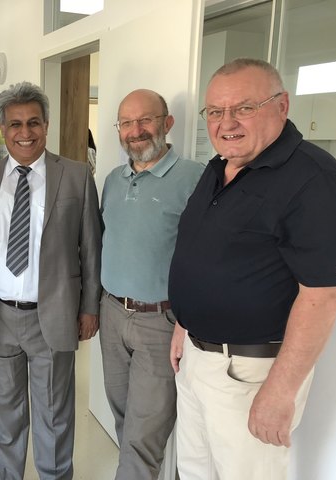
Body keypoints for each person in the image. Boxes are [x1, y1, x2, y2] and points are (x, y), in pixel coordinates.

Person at [168, 58, 336, 480]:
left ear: (282, 106)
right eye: (214, 111)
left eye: (243, 108)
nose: (225, 122)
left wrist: (280, 392)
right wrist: (185, 322)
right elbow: (206, 254)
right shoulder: (219, 167)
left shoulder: (314, 178)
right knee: (195, 470)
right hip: (197, 358)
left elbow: (324, 294)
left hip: (249, 372)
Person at [0, 81, 102, 480]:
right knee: (6, 414)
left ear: (47, 124)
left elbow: (91, 247)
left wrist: (90, 306)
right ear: (3, 130)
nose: (26, 132)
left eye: (34, 122)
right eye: (16, 124)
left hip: (52, 315)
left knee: (54, 417)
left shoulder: (74, 176)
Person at [99, 89, 203, 479]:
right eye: (126, 122)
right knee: (126, 420)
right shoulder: (113, 179)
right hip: (112, 314)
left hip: (160, 322)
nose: (136, 130)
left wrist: (186, 319)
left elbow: (206, 259)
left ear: (167, 123)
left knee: (145, 432)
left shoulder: (195, 179)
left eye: (146, 120)